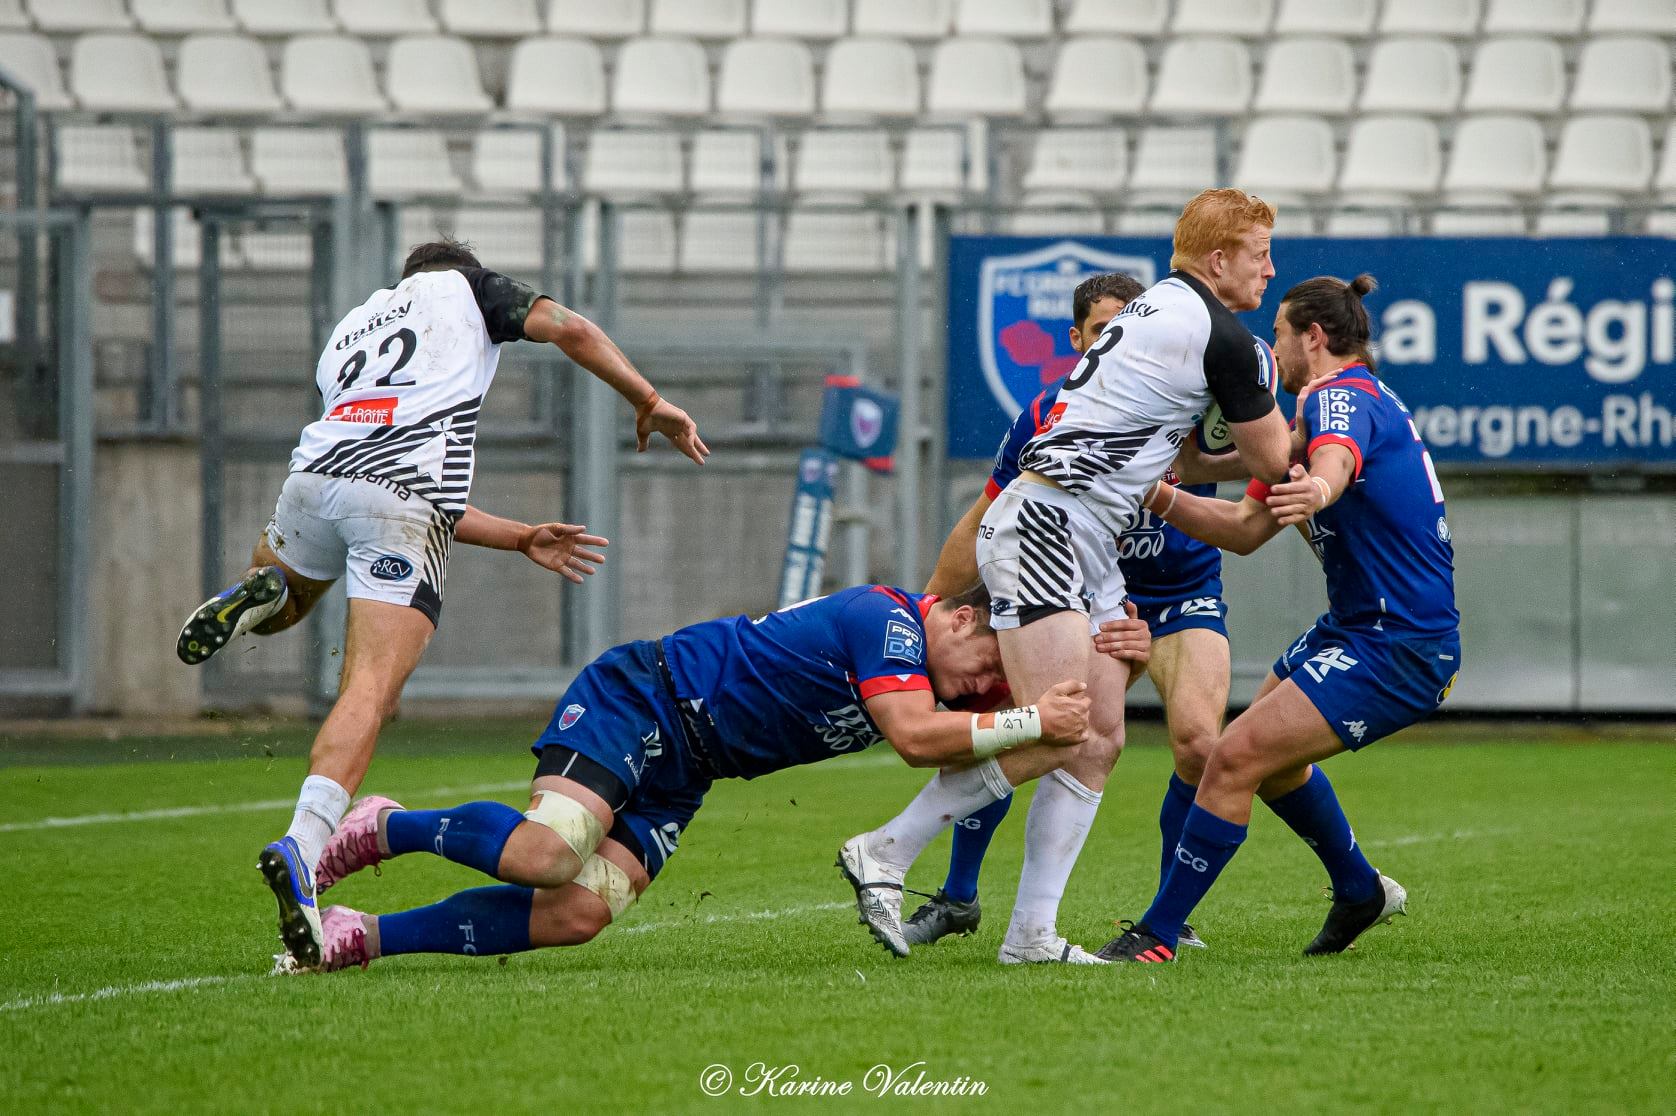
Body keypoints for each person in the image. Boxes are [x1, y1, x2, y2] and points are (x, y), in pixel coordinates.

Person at [174, 238, 709, 970]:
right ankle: (303, 846)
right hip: (402, 496)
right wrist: (648, 400)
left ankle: (255, 596)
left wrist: (521, 537)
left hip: (314, 478)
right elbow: (573, 330)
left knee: (291, 601)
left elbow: (382, 479)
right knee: (369, 691)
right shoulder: (470, 290)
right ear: (459, 267)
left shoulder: (353, 327)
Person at [841, 189, 1295, 965]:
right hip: (1052, 525)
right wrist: (1306, 427)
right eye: (1261, 254)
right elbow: (1271, 462)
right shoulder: (1226, 339)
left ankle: (1030, 936)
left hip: (1082, 535)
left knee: (1098, 740)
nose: (1270, 269)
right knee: (1060, 726)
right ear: (1219, 260)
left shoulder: (1148, 312)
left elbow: (1169, 453)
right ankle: (885, 849)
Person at [300, 583, 1092, 971]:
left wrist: (1089, 676)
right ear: (956, 617)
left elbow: (965, 746)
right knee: (550, 854)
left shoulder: (934, 664)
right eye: (983, 663)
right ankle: (384, 825)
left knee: (578, 912)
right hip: (644, 696)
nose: (977, 684)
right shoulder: (888, 620)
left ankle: (360, 937)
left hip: (693, 767)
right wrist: (1030, 721)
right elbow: (922, 741)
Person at [1098, 274, 1462, 963]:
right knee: (1267, 766)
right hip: (1358, 628)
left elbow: (1333, 460)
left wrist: (1321, 488)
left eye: (1280, 335)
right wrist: (1164, 488)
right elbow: (1239, 528)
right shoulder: (1324, 415)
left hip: (1398, 644)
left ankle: (1158, 934)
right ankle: (1359, 889)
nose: (1272, 349)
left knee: (1231, 758)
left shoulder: (1337, 396)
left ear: (1313, 338)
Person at [906, 271, 1253, 953]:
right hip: (1079, 590)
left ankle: (1168, 917)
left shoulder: (1190, 398)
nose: (1125, 343)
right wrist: (933, 606)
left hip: (1177, 593)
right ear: (1082, 340)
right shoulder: (1047, 413)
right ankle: (959, 894)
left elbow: (1241, 497)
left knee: (1199, 744)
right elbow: (989, 513)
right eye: (1104, 332)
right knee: (1029, 720)